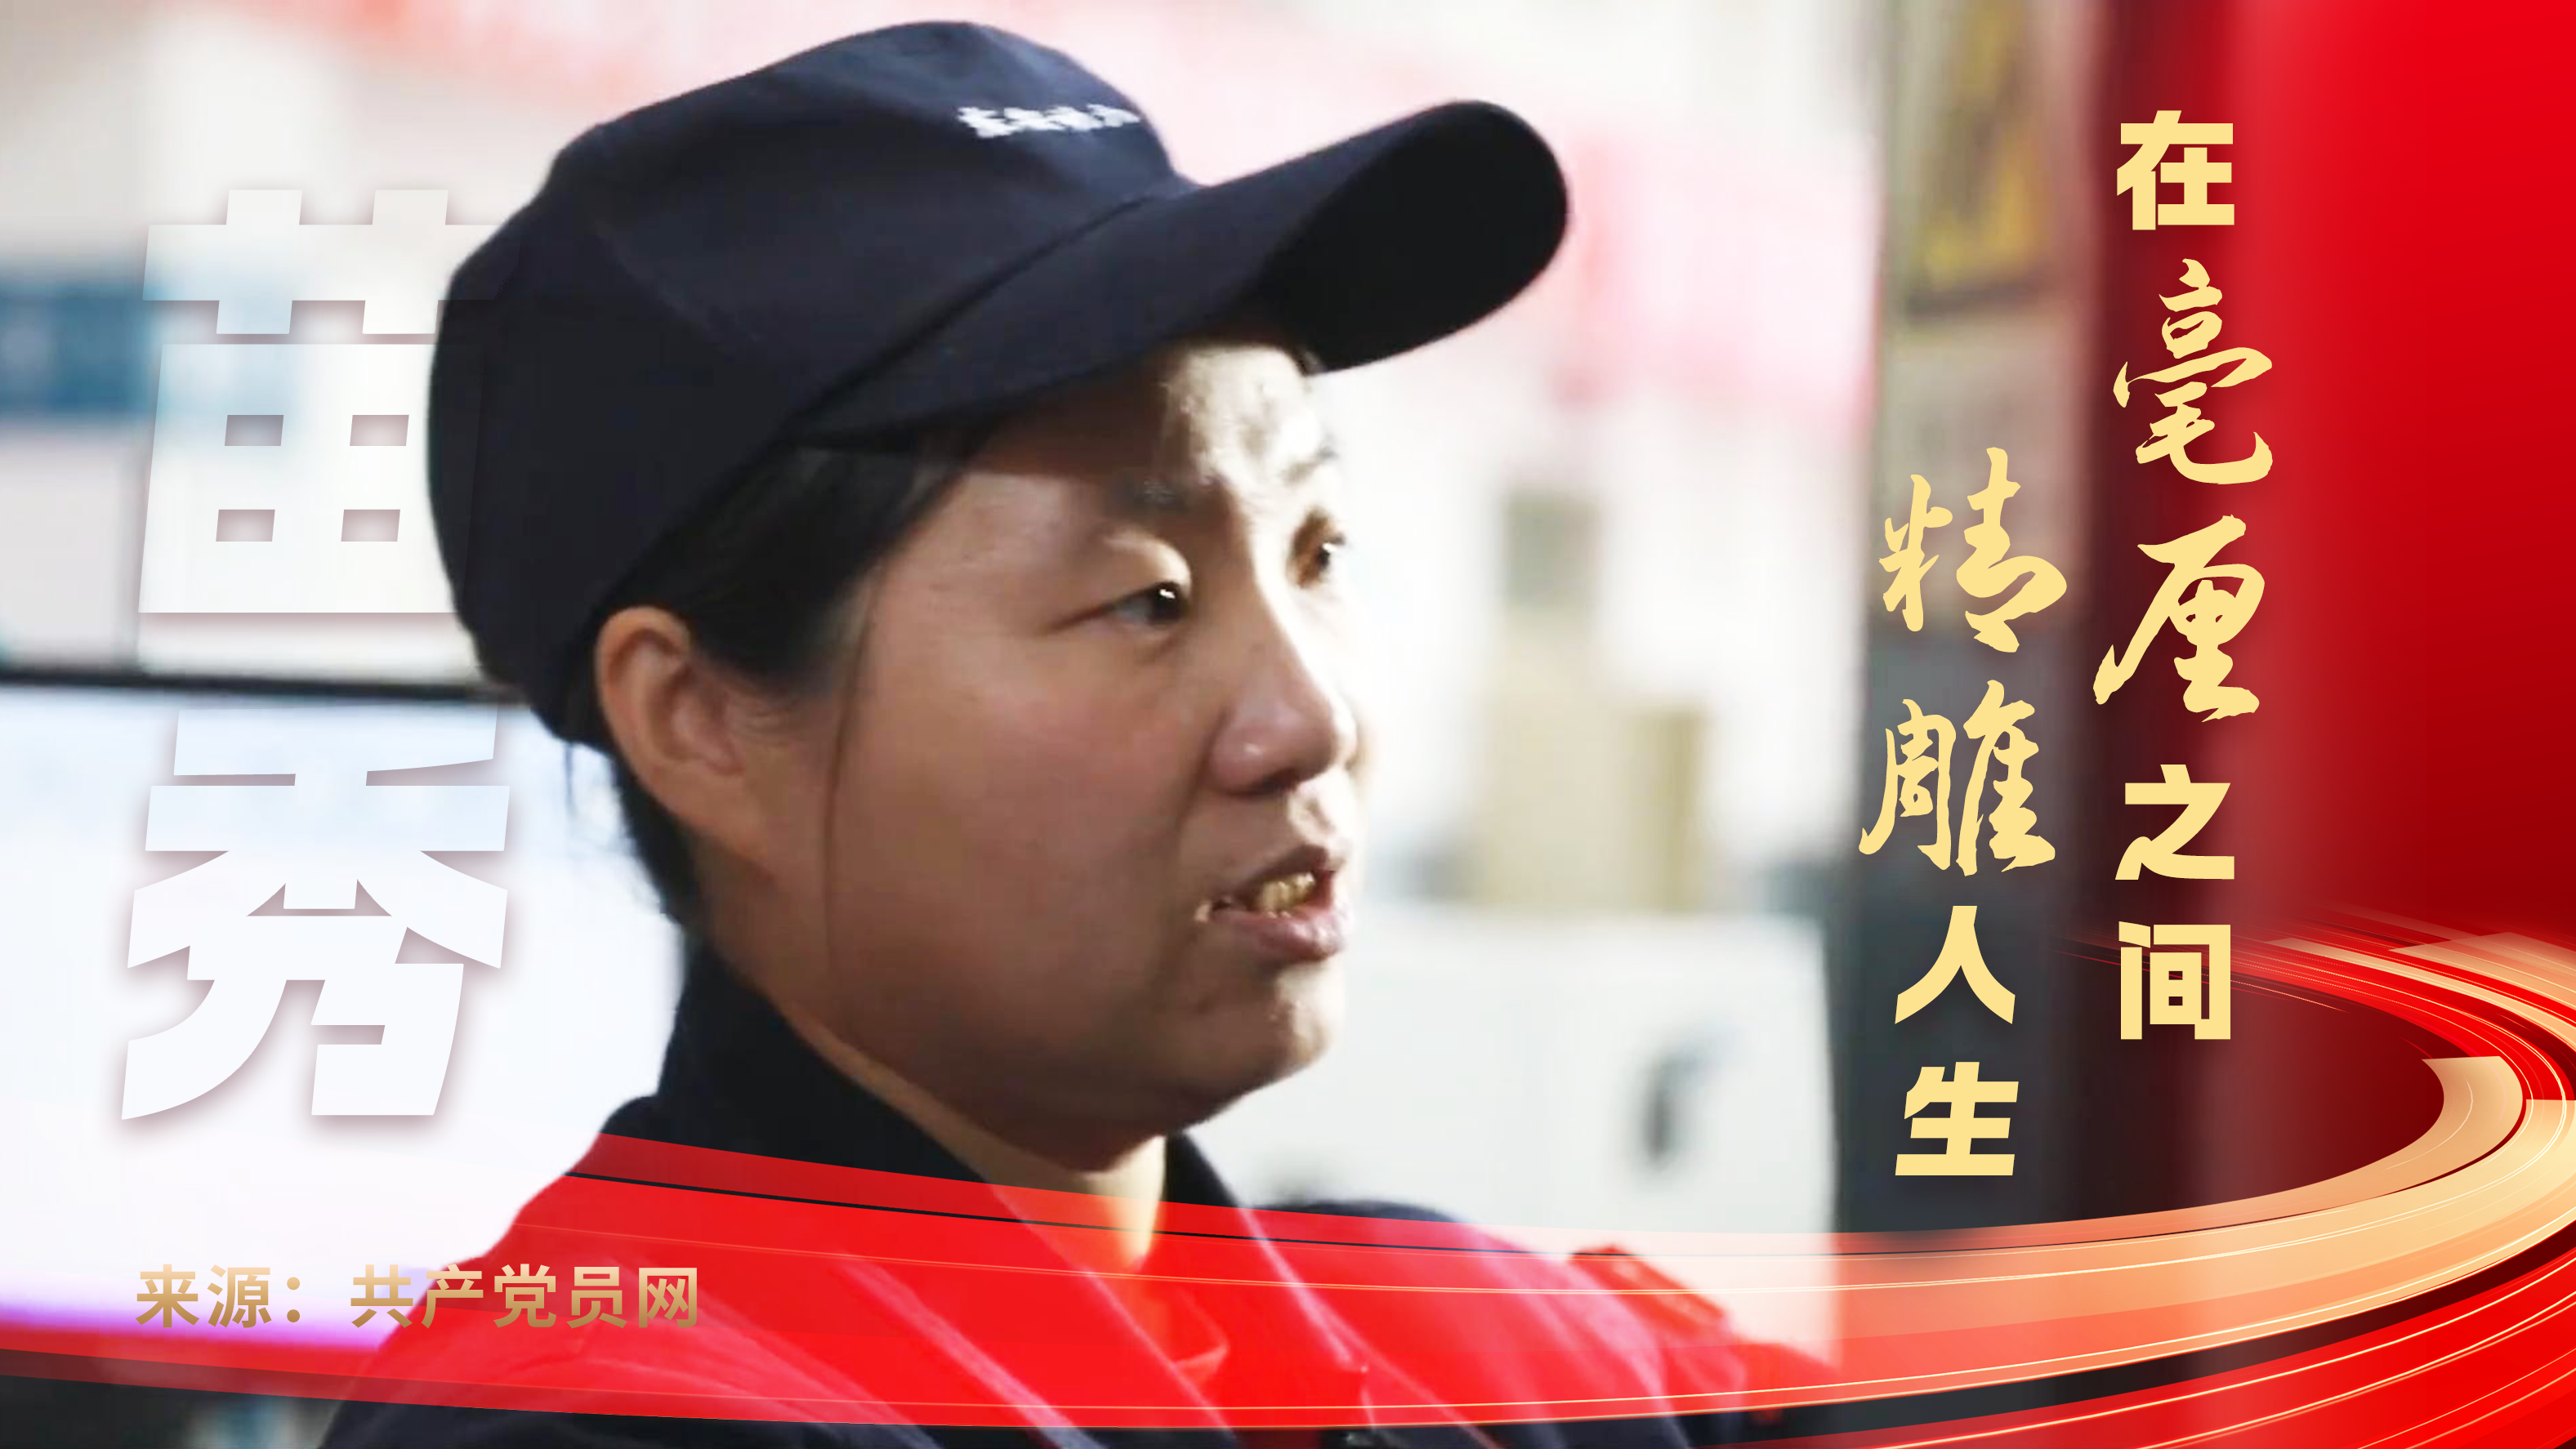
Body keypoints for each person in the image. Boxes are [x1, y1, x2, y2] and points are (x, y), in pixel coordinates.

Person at [322, 21, 1752, 1448]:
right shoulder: (608, 1418)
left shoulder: (1489, 1346)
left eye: (1316, 553)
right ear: (699, 724)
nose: (1310, 720)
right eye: (1149, 599)